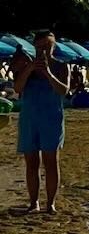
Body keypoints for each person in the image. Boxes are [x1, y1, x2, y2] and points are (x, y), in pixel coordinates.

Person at [13, 30, 69, 215]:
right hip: (29, 118)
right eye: (41, 46)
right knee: (31, 162)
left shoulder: (61, 66)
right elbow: (18, 88)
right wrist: (30, 68)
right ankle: (33, 202)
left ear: (54, 46)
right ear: (35, 46)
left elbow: (63, 91)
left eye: (48, 45)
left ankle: (50, 203)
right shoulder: (25, 65)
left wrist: (48, 73)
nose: (45, 50)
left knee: (51, 162)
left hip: (51, 118)